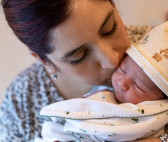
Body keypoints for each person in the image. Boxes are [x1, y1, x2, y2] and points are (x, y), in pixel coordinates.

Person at [0, 0, 167, 141]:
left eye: (109, 29)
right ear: (44, 61)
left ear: (113, 6)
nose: (111, 60)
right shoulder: (20, 106)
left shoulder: (161, 53)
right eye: (79, 56)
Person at [37, 22, 168, 142]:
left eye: (139, 86)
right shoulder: (22, 98)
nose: (122, 82)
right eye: (79, 55)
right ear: (45, 62)